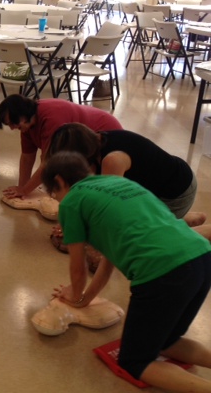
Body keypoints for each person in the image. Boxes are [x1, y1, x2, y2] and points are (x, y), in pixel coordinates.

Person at [42, 151, 211, 392]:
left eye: (54, 195)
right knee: (166, 341)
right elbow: (108, 261)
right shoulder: (117, 182)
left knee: (134, 361)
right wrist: (84, 299)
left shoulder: (71, 202)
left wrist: (74, 295)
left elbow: (77, 266)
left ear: (58, 182)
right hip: (201, 258)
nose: (58, 201)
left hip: (164, 273)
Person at [46, 123, 207, 230]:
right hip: (164, 184)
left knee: (143, 239)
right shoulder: (97, 142)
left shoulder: (112, 160)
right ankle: (174, 219)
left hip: (177, 193)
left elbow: (111, 208)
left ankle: (196, 230)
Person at [0, 95, 122, 199]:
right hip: (87, 141)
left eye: (13, 122)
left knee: (100, 191)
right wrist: (22, 188)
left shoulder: (51, 117)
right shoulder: (26, 126)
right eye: (9, 124)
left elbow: (49, 162)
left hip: (107, 134)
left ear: (23, 113)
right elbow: (27, 157)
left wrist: (25, 190)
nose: (12, 128)